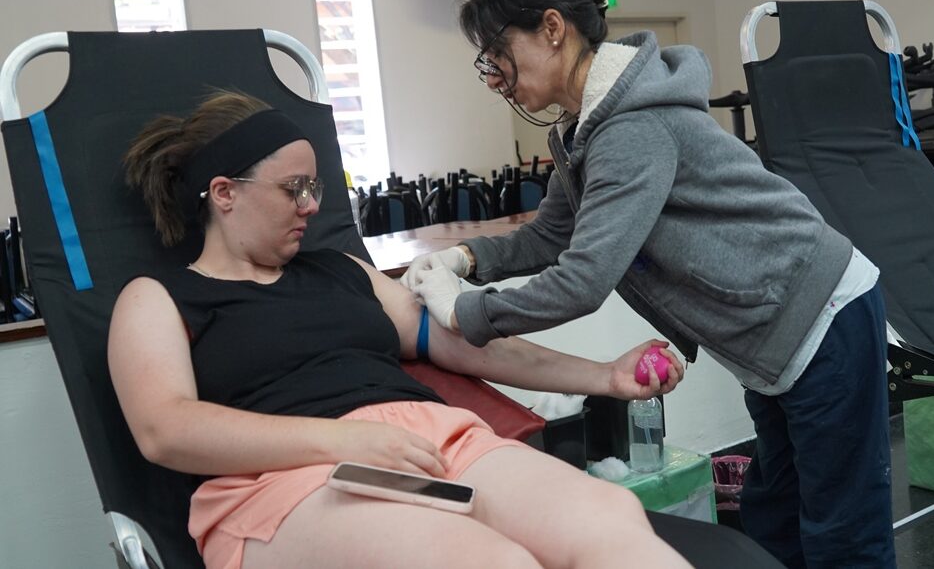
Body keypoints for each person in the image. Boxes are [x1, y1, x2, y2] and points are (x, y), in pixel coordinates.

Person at [402, 0, 897, 569]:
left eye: (500, 51)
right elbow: (549, 238)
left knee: (843, 535)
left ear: (552, 29)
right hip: (771, 338)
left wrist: (463, 312)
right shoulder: (586, 130)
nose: (497, 73)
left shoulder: (631, 130)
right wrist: (466, 261)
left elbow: (582, 280)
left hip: (822, 317)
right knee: (779, 513)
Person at [108, 91, 690, 569]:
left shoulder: (344, 271)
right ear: (224, 193)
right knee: (491, 563)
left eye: (316, 188)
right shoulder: (157, 298)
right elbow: (166, 429)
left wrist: (603, 377)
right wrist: (343, 441)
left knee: (607, 520)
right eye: (295, 189)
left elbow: (463, 345)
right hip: (291, 479)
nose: (312, 206)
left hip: (432, 444)